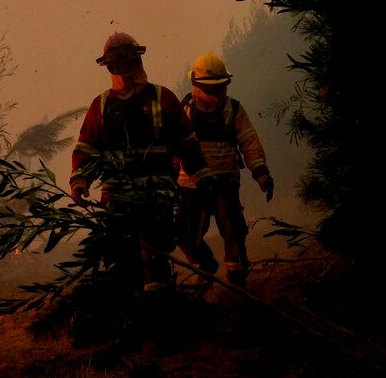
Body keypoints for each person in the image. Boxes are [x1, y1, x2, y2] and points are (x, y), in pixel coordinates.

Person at [70, 32, 210, 294]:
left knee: (155, 258)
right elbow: (86, 149)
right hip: (116, 199)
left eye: (127, 62)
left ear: (138, 60)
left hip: (156, 198)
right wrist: (80, 180)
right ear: (108, 67)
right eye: (116, 65)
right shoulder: (101, 106)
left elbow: (188, 144)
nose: (123, 70)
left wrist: (202, 177)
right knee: (122, 260)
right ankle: (132, 306)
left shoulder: (163, 98)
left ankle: (159, 304)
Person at [176, 52, 273, 289]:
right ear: (196, 85)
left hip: (225, 183)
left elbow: (249, 142)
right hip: (191, 184)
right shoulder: (184, 111)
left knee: (234, 232)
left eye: (220, 87)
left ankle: (238, 284)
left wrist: (261, 173)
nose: (216, 94)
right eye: (211, 89)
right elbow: (173, 148)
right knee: (184, 233)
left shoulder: (234, 110)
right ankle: (205, 265)